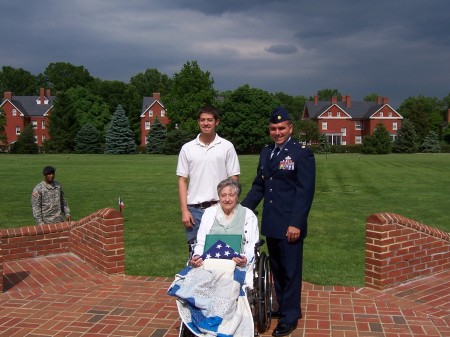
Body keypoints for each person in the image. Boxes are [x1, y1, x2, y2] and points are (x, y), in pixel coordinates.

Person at [241, 106, 316, 337]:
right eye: (273, 128)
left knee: (291, 271)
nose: (277, 132)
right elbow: (259, 186)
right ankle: (285, 308)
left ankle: (290, 317)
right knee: (277, 270)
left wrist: (296, 223)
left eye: (281, 128)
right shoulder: (266, 153)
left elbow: (305, 191)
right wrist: (240, 210)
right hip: (272, 223)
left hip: (290, 225)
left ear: (290, 128)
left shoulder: (301, 153)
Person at [176, 105, 240, 245]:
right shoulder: (187, 148)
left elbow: (234, 179)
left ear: (217, 122)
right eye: (202, 120)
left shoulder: (226, 146)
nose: (206, 123)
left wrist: (230, 207)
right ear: (198, 122)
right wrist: (184, 211)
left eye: (210, 120)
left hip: (220, 208)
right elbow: (182, 180)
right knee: (196, 257)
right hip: (194, 211)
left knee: (221, 254)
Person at [189, 178, 259, 268]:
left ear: (237, 197)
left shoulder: (249, 215)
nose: (227, 199)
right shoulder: (209, 213)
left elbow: (253, 244)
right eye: (223, 195)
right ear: (219, 197)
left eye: (231, 195)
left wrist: (245, 258)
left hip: (237, 265)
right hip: (209, 263)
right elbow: (201, 241)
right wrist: (197, 255)